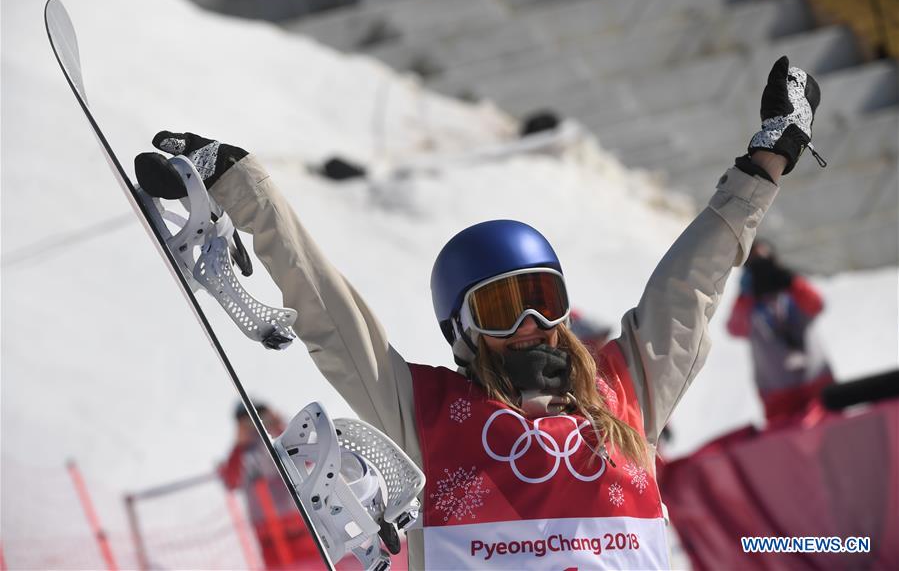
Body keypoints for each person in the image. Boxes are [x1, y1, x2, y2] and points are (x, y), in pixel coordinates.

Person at [137, 56, 822, 569]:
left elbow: (689, 287)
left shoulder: (624, 394)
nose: (529, 325)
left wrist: (765, 163)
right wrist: (244, 188)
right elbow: (330, 318)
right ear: (462, 330)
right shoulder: (430, 413)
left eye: (542, 300)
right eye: (499, 308)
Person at [726, 239, 834, 425]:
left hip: (817, 381)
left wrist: (791, 281)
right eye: (755, 264)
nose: (762, 269)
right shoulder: (749, 304)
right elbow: (734, 329)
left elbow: (817, 305)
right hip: (777, 393)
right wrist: (744, 296)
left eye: (766, 262)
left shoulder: (794, 291)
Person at [218, 402, 321, 570]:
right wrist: (239, 445)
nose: (254, 425)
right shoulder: (240, 452)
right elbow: (231, 482)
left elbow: (308, 457)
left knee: (317, 564)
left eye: (259, 417)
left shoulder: (281, 441)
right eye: (247, 422)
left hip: (299, 521)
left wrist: (280, 426)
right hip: (266, 532)